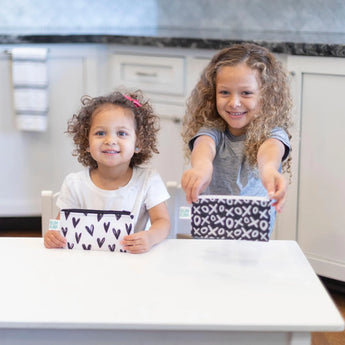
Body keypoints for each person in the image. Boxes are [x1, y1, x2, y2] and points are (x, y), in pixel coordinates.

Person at [181, 43, 292, 233]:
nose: (234, 103)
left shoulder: (273, 134)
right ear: (212, 93)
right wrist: (201, 168)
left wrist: (270, 171)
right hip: (209, 229)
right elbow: (204, 146)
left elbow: (270, 151)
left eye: (246, 93)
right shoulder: (213, 130)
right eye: (224, 92)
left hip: (254, 232)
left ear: (266, 96)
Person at [44, 89, 170, 253]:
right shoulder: (74, 184)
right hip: (86, 264)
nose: (110, 140)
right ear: (86, 142)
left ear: (138, 142)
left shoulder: (148, 179)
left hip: (133, 264)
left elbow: (163, 221)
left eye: (122, 133)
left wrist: (150, 238)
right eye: (100, 133)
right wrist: (52, 232)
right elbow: (59, 222)